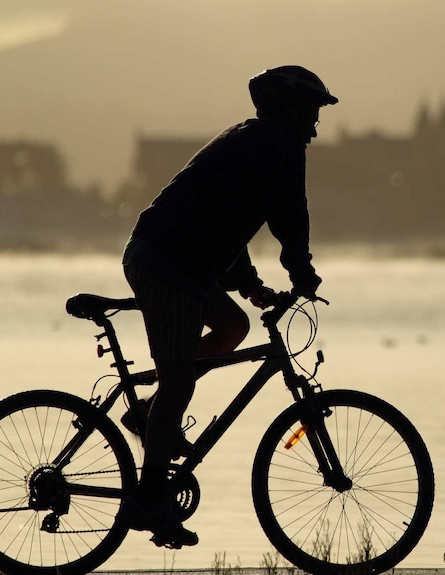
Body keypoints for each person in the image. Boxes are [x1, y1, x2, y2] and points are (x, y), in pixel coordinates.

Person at [119, 65, 337, 548]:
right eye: (313, 113)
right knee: (178, 380)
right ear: (289, 110)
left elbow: (223, 223)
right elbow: (289, 216)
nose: (316, 127)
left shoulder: (255, 143)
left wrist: (252, 286)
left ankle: (149, 413)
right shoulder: (276, 146)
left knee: (234, 325)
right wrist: (301, 273)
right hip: (165, 264)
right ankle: (149, 496)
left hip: (181, 262)